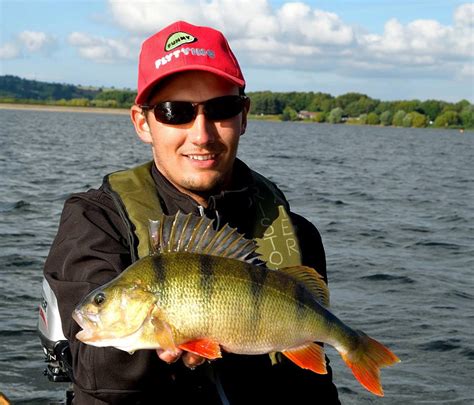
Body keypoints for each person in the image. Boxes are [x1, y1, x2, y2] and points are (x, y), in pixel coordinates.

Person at [44, 20, 340, 404]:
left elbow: (314, 387)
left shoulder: (296, 233)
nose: (201, 134)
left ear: (244, 115)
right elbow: (96, 370)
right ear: (143, 122)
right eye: (174, 111)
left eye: (221, 108)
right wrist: (163, 345)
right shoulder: (96, 221)